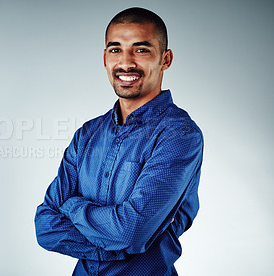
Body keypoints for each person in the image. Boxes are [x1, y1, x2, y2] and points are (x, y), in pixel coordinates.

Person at [34, 7, 203, 276]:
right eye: (116, 49)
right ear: (104, 58)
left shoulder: (178, 136)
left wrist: (72, 206)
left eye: (141, 49)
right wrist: (120, 243)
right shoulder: (87, 135)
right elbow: (45, 227)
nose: (126, 63)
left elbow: (130, 232)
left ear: (166, 59)